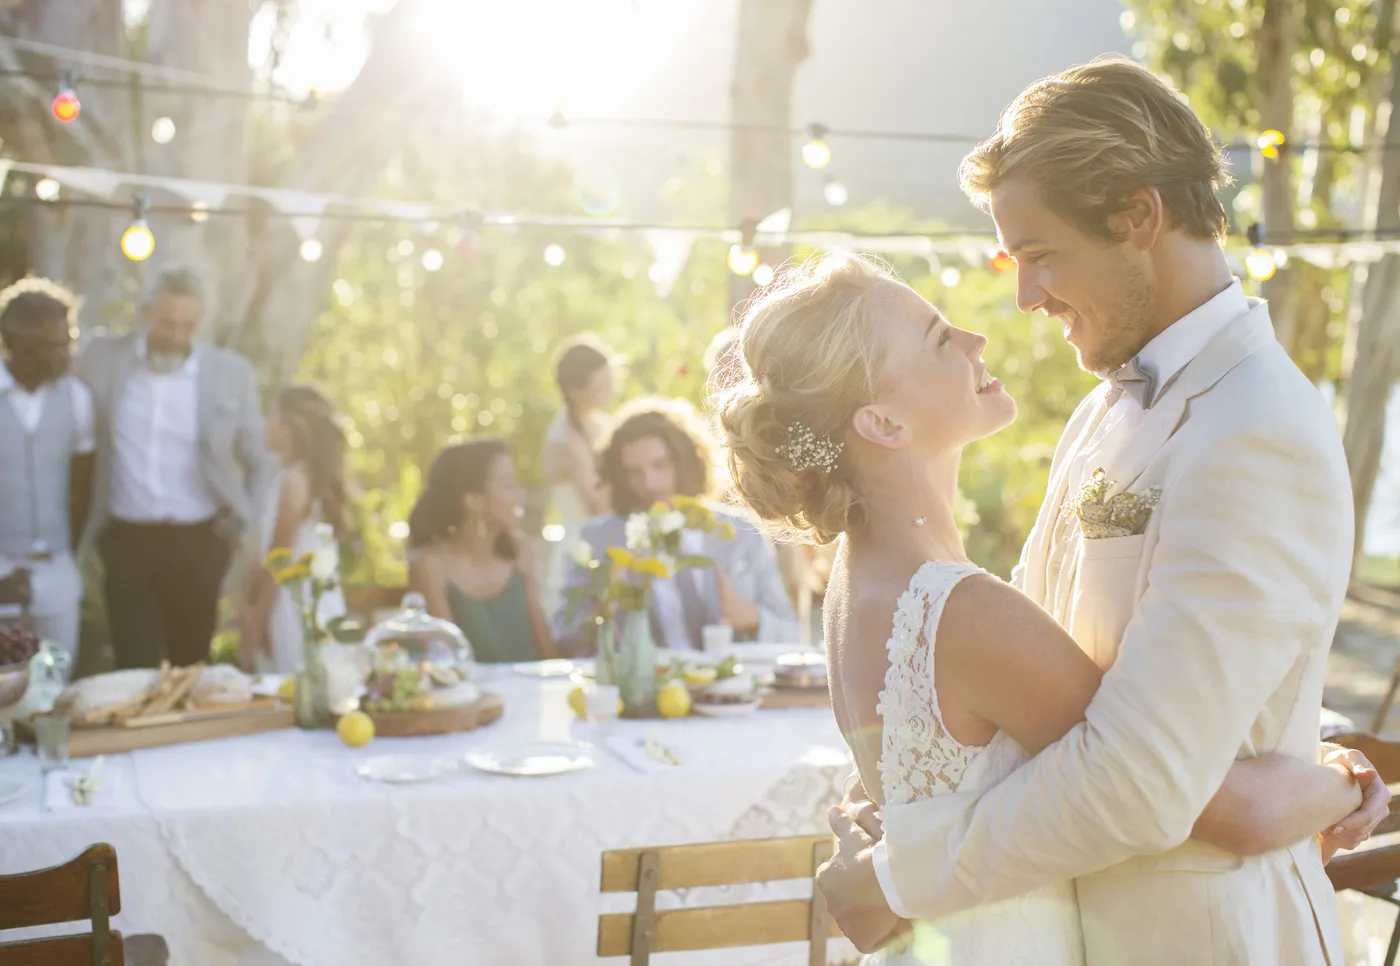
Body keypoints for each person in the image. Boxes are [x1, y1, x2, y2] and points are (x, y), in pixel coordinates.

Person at [727, 60, 1388, 966]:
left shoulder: (1257, 428)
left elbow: (1145, 771)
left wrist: (896, 877)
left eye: (1039, 255)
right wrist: (1324, 772)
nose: (1023, 298)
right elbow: (1085, 692)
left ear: (1137, 218)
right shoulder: (1101, 410)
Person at [76, 265, 274, 669]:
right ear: (146, 313)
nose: (176, 335)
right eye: (167, 322)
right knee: (135, 661)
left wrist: (243, 520)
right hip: (127, 538)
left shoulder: (230, 373)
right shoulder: (101, 358)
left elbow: (260, 459)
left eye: (188, 325)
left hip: (200, 541)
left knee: (191, 663)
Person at [553, 399, 798, 655]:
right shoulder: (596, 540)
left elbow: (791, 634)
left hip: (728, 688)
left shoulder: (740, 531)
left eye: (660, 465)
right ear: (619, 477)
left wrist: (753, 618)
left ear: (684, 462)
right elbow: (563, 639)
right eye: (634, 472)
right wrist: (602, 610)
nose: (650, 483)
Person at [0, 278, 94, 660]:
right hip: (3, 564)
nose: (66, 355)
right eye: (55, 346)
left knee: (56, 682)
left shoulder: (77, 399)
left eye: (69, 341)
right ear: (18, 344)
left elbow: (82, 486)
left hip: (57, 570)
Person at [407, 440, 556, 664]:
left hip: (530, 693)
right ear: (473, 500)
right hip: (472, 697)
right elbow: (449, 662)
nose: (520, 494)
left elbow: (548, 654)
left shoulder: (519, 554)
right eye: (508, 485)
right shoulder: (430, 566)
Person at [239, 385, 350, 674]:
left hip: (292, 606)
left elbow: (279, 559)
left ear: (288, 429)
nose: (265, 424)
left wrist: (257, 619)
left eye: (270, 417)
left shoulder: (294, 481)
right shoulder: (293, 476)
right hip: (306, 598)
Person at [539, 337, 618, 613]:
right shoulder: (564, 439)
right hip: (582, 546)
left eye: (611, 382)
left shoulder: (602, 424)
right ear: (574, 390)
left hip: (608, 537)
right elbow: (595, 503)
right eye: (601, 386)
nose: (610, 391)